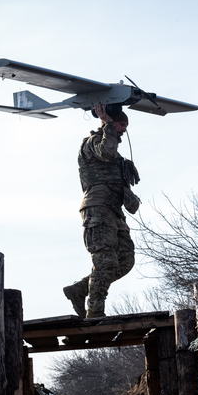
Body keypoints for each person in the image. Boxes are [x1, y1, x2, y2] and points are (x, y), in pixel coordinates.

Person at [63, 103, 140, 318]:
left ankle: (79, 290)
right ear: (107, 122)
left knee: (125, 260)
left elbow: (121, 187)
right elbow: (105, 152)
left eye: (125, 126)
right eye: (120, 125)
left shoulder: (118, 160)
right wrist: (106, 123)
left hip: (113, 213)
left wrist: (126, 211)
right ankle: (95, 311)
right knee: (104, 261)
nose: (123, 130)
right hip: (96, 210)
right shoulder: (92, 143)